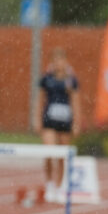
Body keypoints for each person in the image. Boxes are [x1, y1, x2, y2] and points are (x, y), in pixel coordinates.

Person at [33, 48, 81, 196]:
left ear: (65, 62)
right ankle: (49, 183)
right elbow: (39, 100)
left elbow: (75, 102)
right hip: (49, 120)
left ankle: (60, 186)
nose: (59, 64)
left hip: (65, 121)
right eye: (56, 61)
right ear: (52, 63)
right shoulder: (46, 79)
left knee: (62, 155)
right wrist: (36, 119)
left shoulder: (71, 80)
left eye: (61, 60)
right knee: (49, 150)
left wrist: (77, 122)